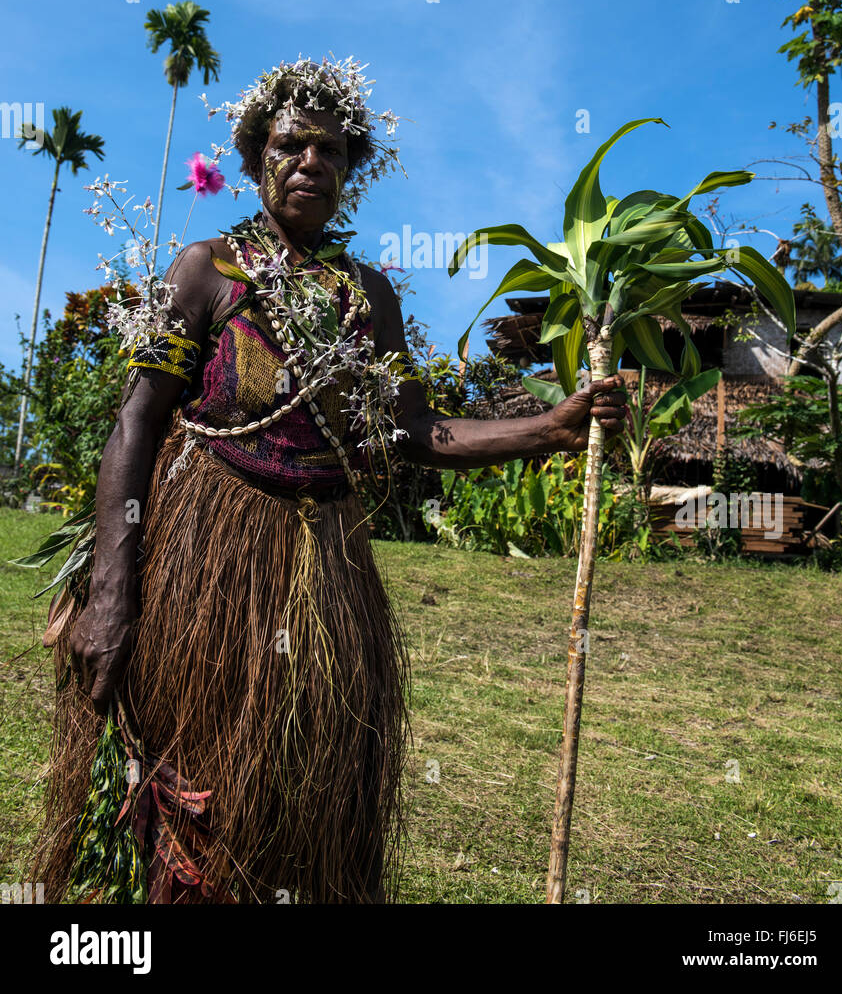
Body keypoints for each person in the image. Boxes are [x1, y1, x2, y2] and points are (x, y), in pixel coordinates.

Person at [34, 57, 627, 904]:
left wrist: (548, 428)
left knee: (311, 791)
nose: (311, 163)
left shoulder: (369, 298)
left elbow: (415, 431)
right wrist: (111, 588)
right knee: (192, 781)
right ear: (252, 159)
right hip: (207, 562)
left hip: (328, 568)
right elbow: (137, 422)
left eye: (331, 151)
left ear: (351, 170)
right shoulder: (205, 271)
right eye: (290, 146)